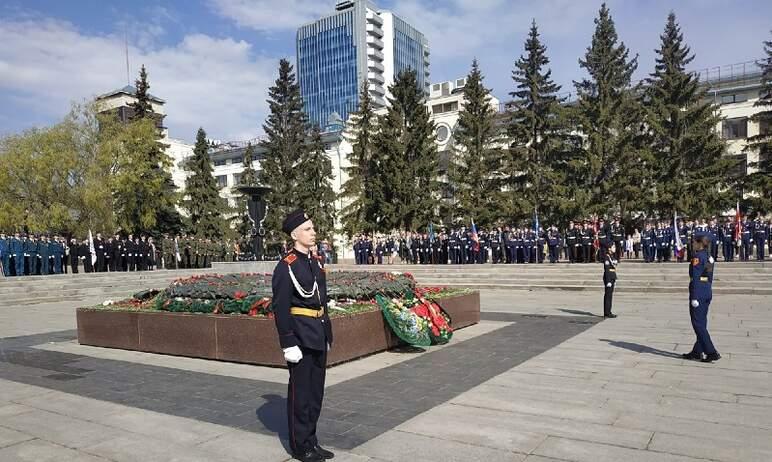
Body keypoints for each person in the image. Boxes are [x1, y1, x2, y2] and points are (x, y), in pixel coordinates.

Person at [272, 209, 334, 462]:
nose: (313, 232)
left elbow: (323, 301)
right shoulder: (286, 266)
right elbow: (280, 306)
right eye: (308, 229)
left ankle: (312, 440)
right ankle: (300, 446)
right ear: (295, 234)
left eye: (312, 228)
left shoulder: (316, 262)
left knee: (316, 393)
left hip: (317, 333)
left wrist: (327, 333)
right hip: (300, 336)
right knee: (301, 395)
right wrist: (288, 342)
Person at [683, 233, 720, 363]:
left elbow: (696, 278)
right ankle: (697, 351)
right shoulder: (709, 257)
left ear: (699, 243)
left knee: (698, 324)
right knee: (702, 323)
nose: (692, 244)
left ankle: (711, 352)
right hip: (706, 291)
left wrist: (694, 296)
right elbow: (708, 277)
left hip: (698, 292)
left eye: (694, 242)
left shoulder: (697, 257)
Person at [602, 243, 618, 318]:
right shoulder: (607, 257)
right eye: (613, 247)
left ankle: (608, 311)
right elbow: (607, 269)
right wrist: (608, 281)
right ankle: (607, 312)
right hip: (608, 277)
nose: (615, 248)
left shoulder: (612, 256)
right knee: (608, 295)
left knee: (610, 295)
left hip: (612, 276)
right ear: (609, 248)